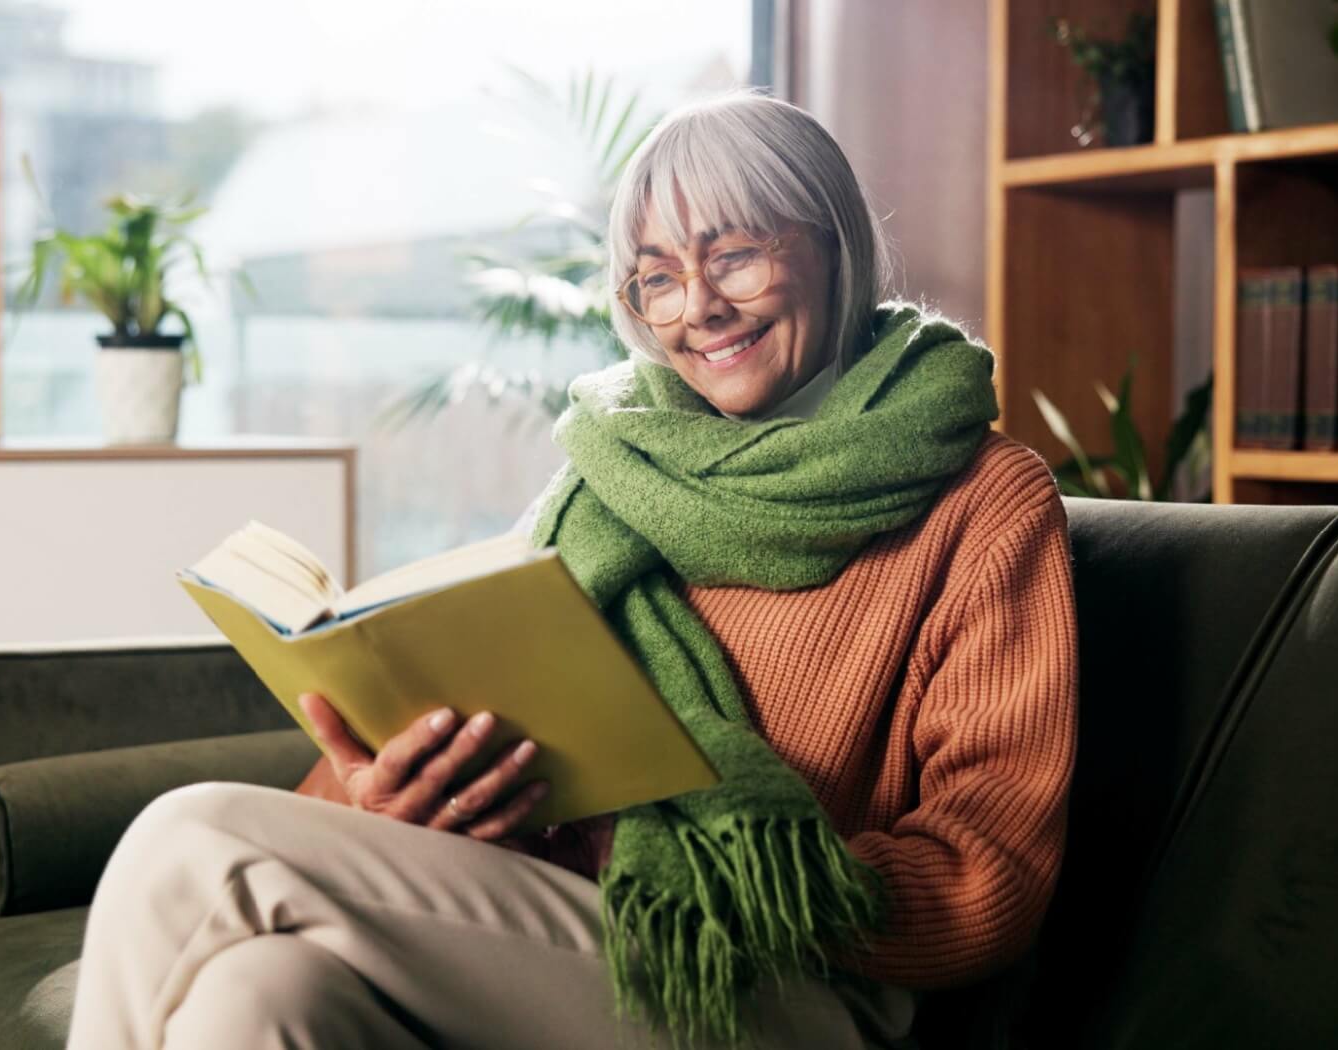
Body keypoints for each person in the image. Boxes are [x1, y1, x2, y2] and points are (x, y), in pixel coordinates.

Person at [66, 93, 1077, 1050]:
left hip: (791, 991)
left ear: (835, 246)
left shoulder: (982, 502)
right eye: (658, 276)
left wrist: (698, 867)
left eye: (734, 256)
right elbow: (401, 768)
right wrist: (388, 801)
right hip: (575, 946)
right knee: (257, 999)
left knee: (191, 840)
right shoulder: (613, 477)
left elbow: (984, 884)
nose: (699, 308)